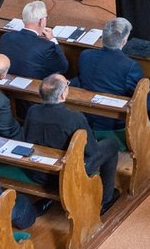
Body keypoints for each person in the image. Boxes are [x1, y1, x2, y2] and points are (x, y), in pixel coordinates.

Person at [25, 74, 121, 211]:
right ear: (62, 95)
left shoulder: (32, 111)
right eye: (67, 85)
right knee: (111, 145)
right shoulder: (74, 117)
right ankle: (106, 199)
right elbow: (92, 152)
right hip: (66, 173)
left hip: (37, 172)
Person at [78, 18, 150, 146]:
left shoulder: (85, 55)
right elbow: (140, 98)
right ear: (124, 41)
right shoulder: (130, 66)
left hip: (90, 115)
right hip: (118, 121)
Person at [0, 0, 70, 79]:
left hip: (7, 80)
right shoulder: (46, 46)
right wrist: (53, 40)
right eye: (46, 18)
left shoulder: (6, 37)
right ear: (41, 21)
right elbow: (63, 68)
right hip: (36, 84)